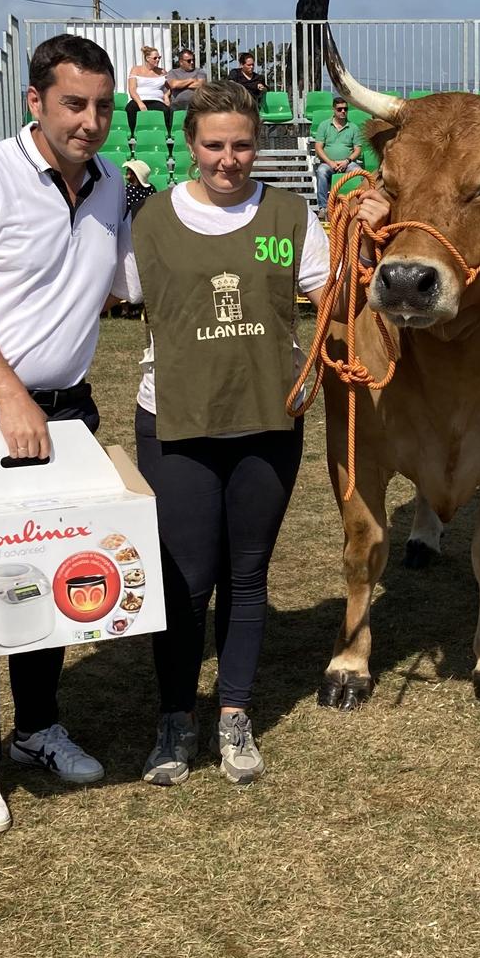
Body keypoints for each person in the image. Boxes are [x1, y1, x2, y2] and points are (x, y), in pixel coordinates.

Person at [124, 79, 387, 788]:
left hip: (267, 420)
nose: (229, 159)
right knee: (184, 581)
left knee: (246, 576)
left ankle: (234, 714)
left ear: (258, 143)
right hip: (175, 422)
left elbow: (340, 296)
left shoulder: (289, 213)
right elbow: (106, 293)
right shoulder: (147, 223)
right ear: (189, 145)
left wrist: (371, 228)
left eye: (242, 144)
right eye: (214, 145)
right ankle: (176, 719)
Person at [0, 33, 132, 837]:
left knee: (51, 575)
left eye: (103, 106)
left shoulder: (113, 185)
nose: (90, 121)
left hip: (70, 409)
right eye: (75, 104)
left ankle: (38, 728)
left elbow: (115, 286)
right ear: (35, 101)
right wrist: (11, 394)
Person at [310, 96, 362, 212]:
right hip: (329, 164)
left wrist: (347, 161)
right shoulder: (324, 125)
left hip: (347, 163)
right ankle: (323, 207)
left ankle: (357, 204)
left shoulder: (353, 127)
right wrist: (330, 162)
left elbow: (357, 149)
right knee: (322, 171)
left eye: (345, 109)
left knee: (359, 173)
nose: (343, 111)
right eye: (339, 109)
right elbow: (318, 147)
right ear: (334, 109)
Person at [126, 45, 170, 144]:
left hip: (156, 100)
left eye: (159, 57)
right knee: (130, 109)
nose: (158, 60)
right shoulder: (136, 70)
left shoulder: (162, 72)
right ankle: (132, 136)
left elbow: (170, 87)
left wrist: (166, 96)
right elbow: (132, 89)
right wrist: (140, 103)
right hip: (139, 99)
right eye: (155, 58)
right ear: (147, 58)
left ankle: (165, 138)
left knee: (166, 111)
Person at [163, 48, 204, 133]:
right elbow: (173, 85)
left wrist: (180, 85)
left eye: (193, 60)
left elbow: (200, 84)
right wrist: (192, 80)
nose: (192, 62)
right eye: (189, 61)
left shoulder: (199, 71)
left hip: (195, 102)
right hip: (177, 104)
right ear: (181, 62)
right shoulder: (173, 72)